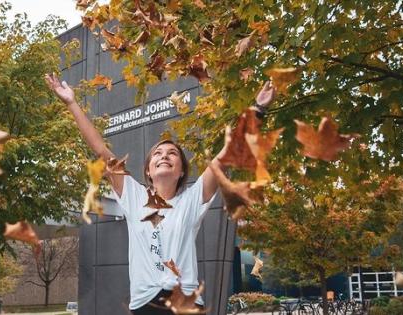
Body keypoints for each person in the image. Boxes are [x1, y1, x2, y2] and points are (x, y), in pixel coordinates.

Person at [45, 73, 275, 314]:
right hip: (145, 305)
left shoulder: (191, 200)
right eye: (158, 153)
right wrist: (72, 103)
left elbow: (226, 157)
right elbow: (99, 148)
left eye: (172, 153)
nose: (164, 155)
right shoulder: (134, 196)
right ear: (148, 170)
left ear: (181, 170)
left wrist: (257, 110)